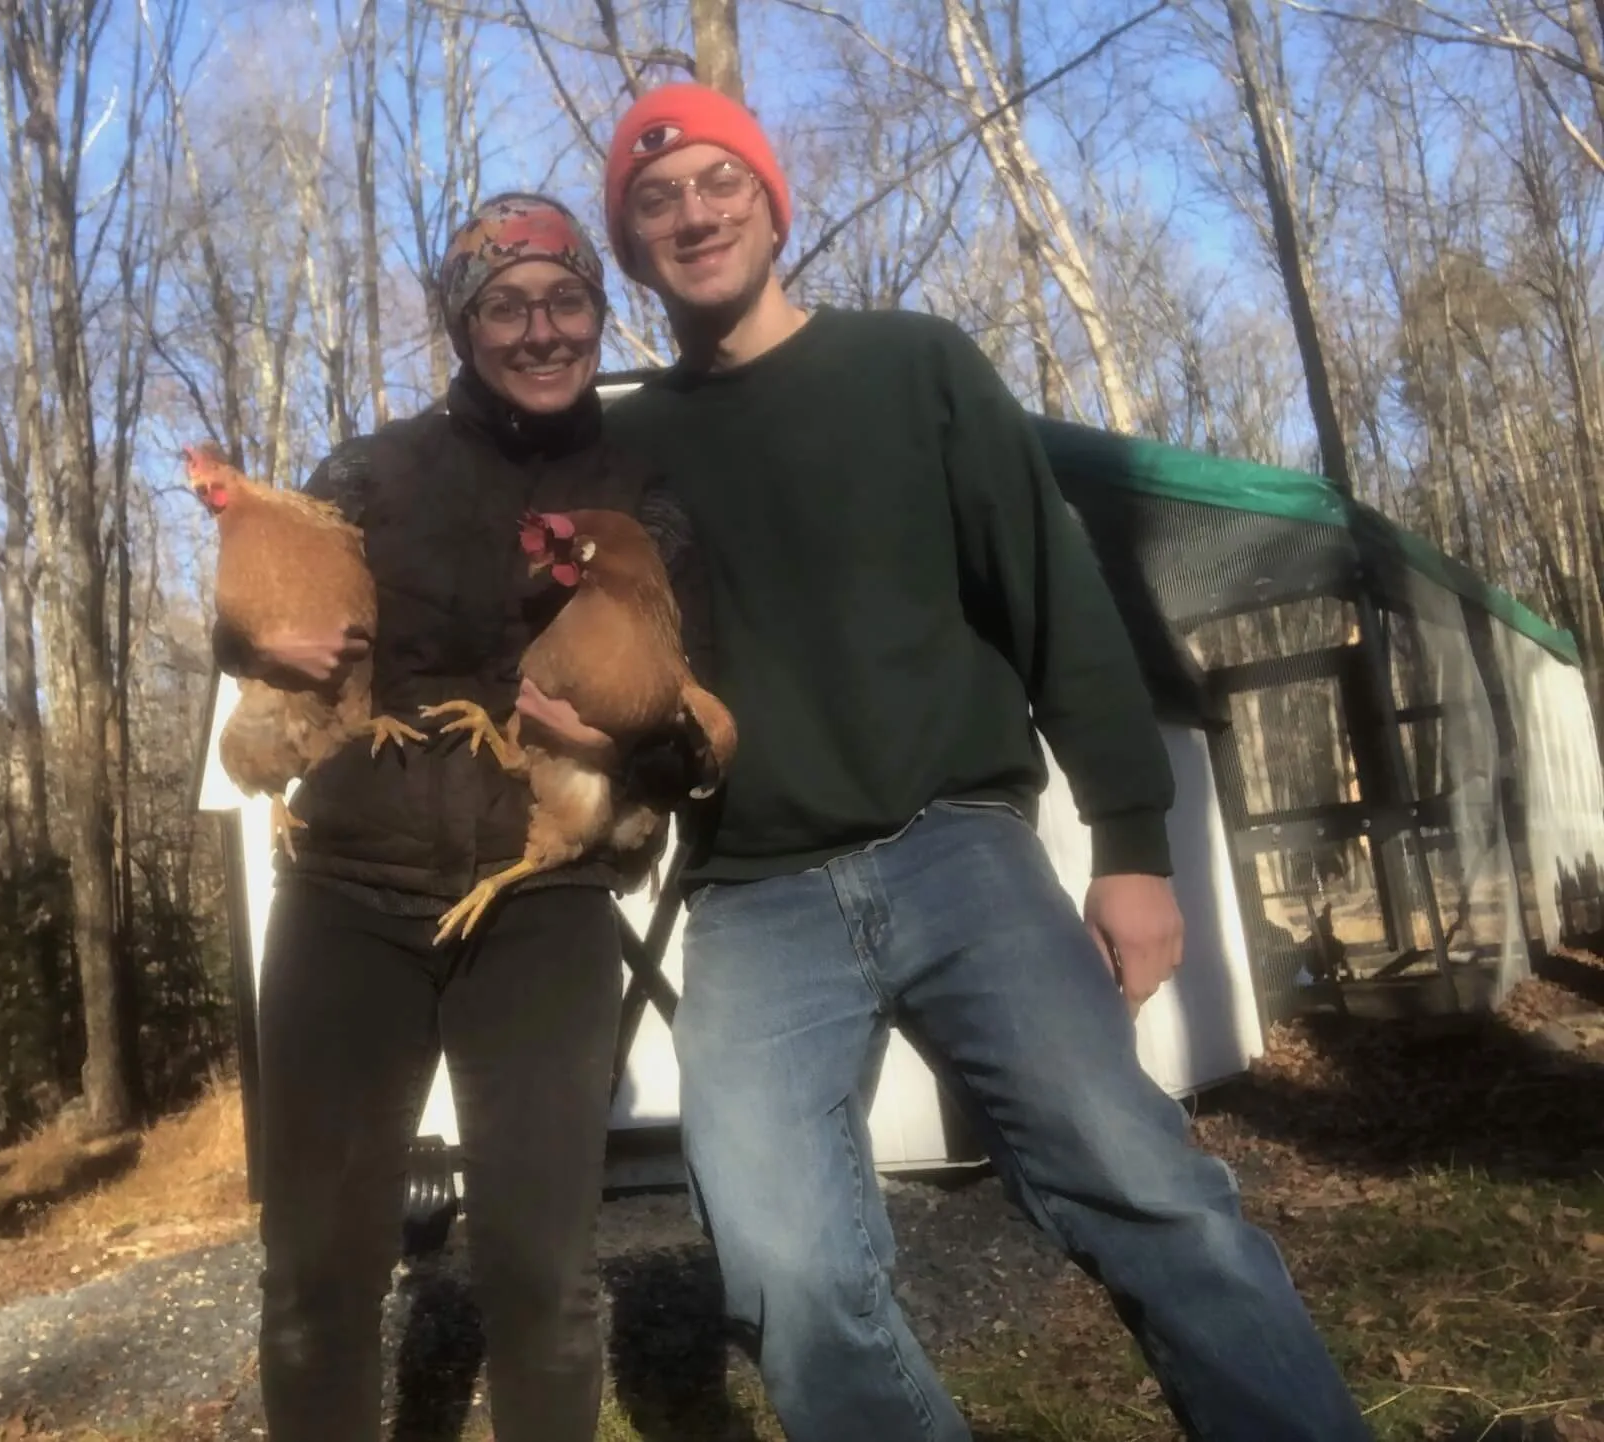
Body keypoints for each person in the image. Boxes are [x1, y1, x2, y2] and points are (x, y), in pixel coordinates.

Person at [559, 81, 1374, 1442]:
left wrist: (1129, 843)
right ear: (633, 247)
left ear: (771, 202)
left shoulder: (914, 366)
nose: (693, 212)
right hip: (751, 898)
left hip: (956, 849)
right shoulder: (625, 451)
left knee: (1146, 1190)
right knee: (784, 1268)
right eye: (656, 200)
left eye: (718, 182)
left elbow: (1053, 592)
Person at [215, 193, 711, 1442]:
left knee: (545, 1275)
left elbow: (692, 698)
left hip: (541, 900)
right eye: (506, 304)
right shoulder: (373, 471)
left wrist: (646, 741)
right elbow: (265, 609)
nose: (541, 329)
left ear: (600, 312)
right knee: (315, 1275)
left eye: (567, 301)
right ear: (462, 323)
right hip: (346, 897)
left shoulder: (645, 493)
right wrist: (240, 632)